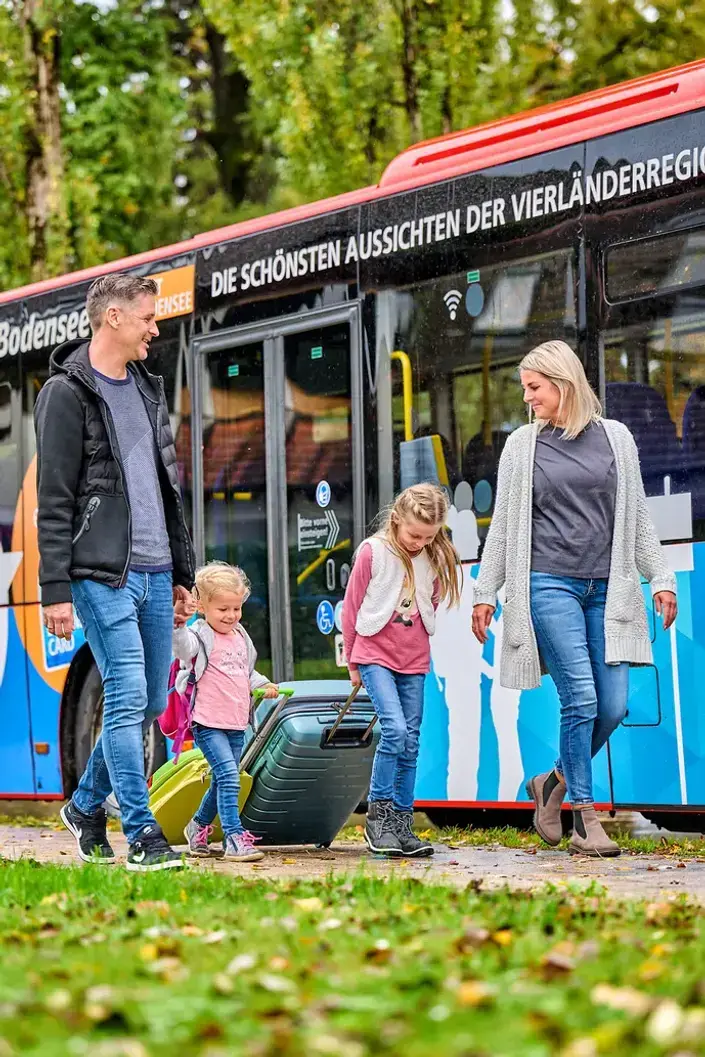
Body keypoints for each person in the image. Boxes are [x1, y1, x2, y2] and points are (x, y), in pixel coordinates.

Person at [471, 340, 677, 857]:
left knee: (613, 704)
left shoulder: (617, 439)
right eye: (525, 389)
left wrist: (662, 577)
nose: (527, 398)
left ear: (562, 383)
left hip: (607, 590)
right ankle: (585, 818)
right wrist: (484, 592)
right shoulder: (522, 445)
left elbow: (637, 517)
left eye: (534, 388)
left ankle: (551, 782)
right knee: (580, 698)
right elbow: (503, 526)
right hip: (548, 584)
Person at [35, 272, 195, 872]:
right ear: (114, 319)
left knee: (152, 698)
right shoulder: (65, 393)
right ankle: (142, 832)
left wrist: (180, 571)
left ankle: (82, 806)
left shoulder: (147, 389)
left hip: (155, 572)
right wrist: (55, 590)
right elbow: (53, 500)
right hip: (99, 573)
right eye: (148, 317)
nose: (156, 328)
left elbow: (165, 488)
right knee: (127, 694)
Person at [342, 483, 461, 857]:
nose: (419, 542)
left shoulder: (430, 557)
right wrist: (352, 660)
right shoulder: (372, 553)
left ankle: (402, 822)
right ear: (396, 521)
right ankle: (378, 817)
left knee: (411, 740)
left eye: (428, 537)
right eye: (414, 534)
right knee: (393, 729)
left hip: (413, 658)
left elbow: (433, 596)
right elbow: (351, 607)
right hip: (374, 653)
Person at [173, 562, 278, 862]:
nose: (231, 616)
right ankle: (234, 837)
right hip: (207, 722)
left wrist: (264, 684)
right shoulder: (199, 634)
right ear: (203, 606)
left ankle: (197, 826)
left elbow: (246, 673)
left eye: (236, 609)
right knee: (230, 777)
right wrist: (178, 624)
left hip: (235, 722)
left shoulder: (240, 637)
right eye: (223, 610)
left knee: (224, 779)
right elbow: (182, 649)